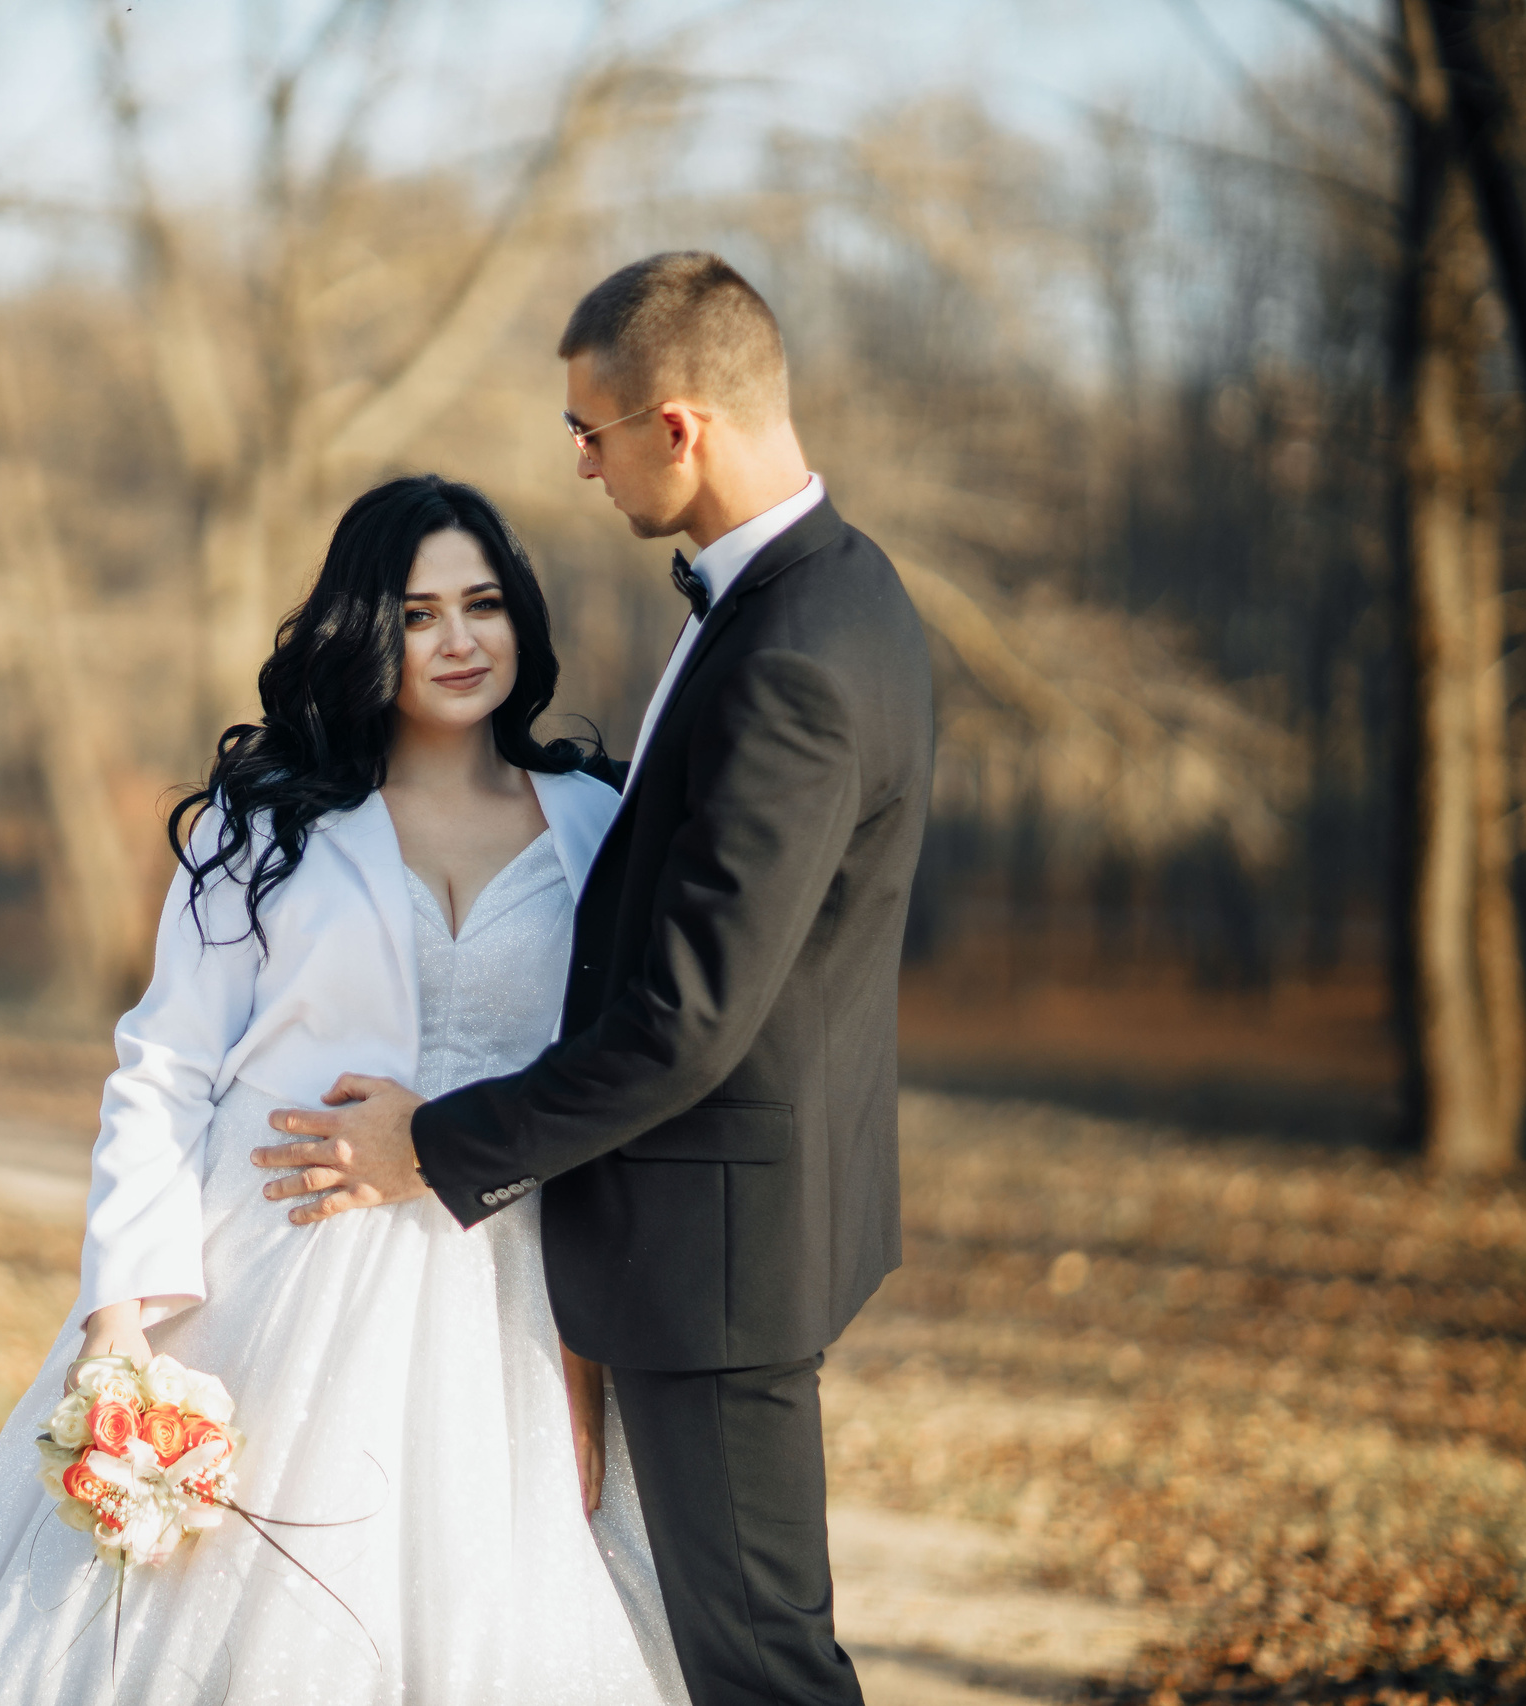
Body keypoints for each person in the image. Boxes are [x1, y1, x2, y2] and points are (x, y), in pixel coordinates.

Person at [0, 475, 688, 1705]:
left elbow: (608, 1086)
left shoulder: (596, 821)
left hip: (506, 1295)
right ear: (369, 629)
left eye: (482, 604)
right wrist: (121, 1315)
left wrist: (592, 1364)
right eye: (418, 614)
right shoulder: (265, 825)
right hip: (267, 1278)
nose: (459, 640)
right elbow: (164, 1066)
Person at [253, 252, 936, 1705]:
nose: (577, 463)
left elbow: (688, 1019)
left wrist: (425, 1148)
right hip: (726, 1220)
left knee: (758, 1663)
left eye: (593, 429)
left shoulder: (794, 654)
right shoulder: (823, 591)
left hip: (718, 1250)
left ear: (677, 425)